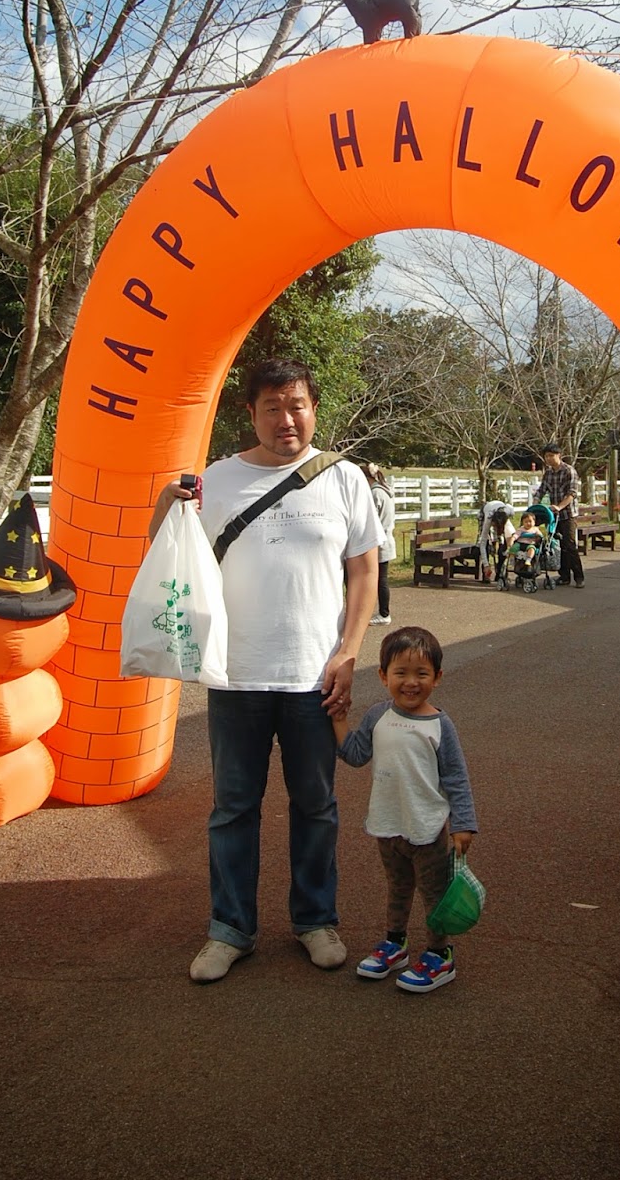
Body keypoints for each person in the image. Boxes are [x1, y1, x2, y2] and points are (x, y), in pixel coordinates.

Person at [149, 358, 382, 983]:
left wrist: (349, 651)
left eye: (297, 405)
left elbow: (364, 570)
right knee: (233, 808)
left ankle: (315, 920)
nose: (287, 419)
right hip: (236, 674)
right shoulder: (216, 481)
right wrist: (163, 506)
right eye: (273, 407)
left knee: (316, 805)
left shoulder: (344, 478)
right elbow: (170, 558)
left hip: (315, 675)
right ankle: (230, 929)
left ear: (314, 409)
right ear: (250, 413)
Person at [331, 625, 478, 993]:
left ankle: (440, 954)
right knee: (397, 887)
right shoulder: (377, 716)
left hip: (427, 828)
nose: (411, 683)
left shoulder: (440, 725)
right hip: (388, 824)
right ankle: (395, 943)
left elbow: (456, 778)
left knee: (434, 894)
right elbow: (355, 754)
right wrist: (338, 720)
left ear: (437, 677)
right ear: (383, 676)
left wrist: (463, 823)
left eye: (421, 674)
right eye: (400, 673)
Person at [534, 442, 585, 587]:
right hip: (553, 516)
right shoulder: (548, 473)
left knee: (569, 545)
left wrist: (560, 506)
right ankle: (564, 576)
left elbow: (572, 493)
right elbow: (541, 490)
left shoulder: (569, 471)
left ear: (559, 455)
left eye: (551, 455)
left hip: (568, 514)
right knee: (557, 545)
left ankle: (579, 577)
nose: (549, 459)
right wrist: (535, 502)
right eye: (546, 456)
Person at [363, 462, 396, 624]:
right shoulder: (386, 490)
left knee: (378, 580)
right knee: (381, 579)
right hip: (387, 539)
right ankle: (383, 613)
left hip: (378, 542)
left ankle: (383, 614)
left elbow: (371, 519)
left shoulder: (375, 493)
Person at [477, 498, 516, 581]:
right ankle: (485, 572)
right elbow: (482, 543)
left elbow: (513, 535)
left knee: (504, 544)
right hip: (485, 512)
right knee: (487, 543)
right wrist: (486, 564)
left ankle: (500, 570)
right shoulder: (488, 519)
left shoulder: (509, 512)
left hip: (501, 512)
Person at [510, 510, 545, 577]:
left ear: (534, 522)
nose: (528, 523)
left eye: (530, 521)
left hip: (530, 544)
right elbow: (516, 535)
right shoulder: (521, 529)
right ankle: (512, 558)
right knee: (513, 547)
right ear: (522, 523)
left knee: (532, 549)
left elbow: (540, 536)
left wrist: (538, 537)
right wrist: (513, 539)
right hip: (520, 544)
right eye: (526, 522)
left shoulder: (535, 529)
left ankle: (528, 560)